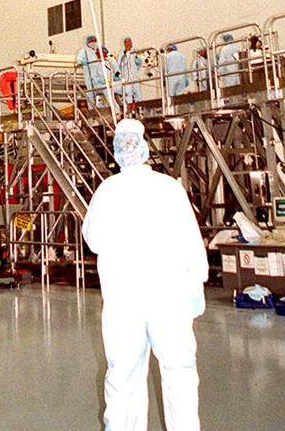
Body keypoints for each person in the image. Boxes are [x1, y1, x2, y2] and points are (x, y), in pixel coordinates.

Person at [82, 120, 208, 431]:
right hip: (170, 298)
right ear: (144, 147)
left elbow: (93, 239)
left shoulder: (107, 191)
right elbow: (192, 241)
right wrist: (198, 285)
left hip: (124, 301)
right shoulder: (169, 188)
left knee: (124, 376)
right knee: (179, 372)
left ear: (116, 151)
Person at [77, 35, 109, 108]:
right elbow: (78, 59)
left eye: (95, 41)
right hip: (89, 75)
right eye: (91, 42)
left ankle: (101, 108)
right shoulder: (84, 51)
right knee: (90, 92)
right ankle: (91, 109)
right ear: (88, 43)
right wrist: (83, 61)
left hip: (98, 76)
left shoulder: (97, 51)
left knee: (102, 92)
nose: (93, 43)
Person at [117, 38, 143, 106]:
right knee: (128, 95)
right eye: (126, 42)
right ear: (124, 44)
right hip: (126, 78)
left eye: (129, 42)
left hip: (134, 77)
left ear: (131, 43)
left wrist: (137, 59)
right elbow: (119, 65)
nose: (128, 44)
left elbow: (139, 63)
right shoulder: (121, 53)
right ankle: (129, 110)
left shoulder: (134, 52)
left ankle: (140, 109)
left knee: (138, 94)